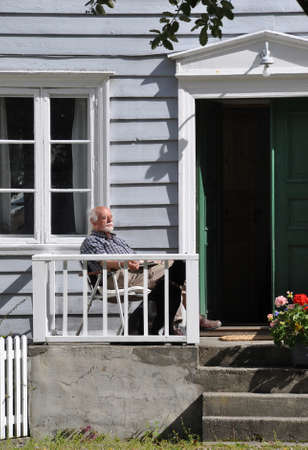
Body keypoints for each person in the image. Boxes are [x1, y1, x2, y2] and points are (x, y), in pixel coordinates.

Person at [80, 205, 221, 333]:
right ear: (94, 222)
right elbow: (104, 261)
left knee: (176, 270)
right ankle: (181, 323)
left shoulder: (117, 240)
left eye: (111, 217)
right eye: (105, 218)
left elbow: (135, 258)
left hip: (137, 273)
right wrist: (124, 263)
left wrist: (151, 262)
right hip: (116, 279)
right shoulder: (91, 241)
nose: (110, 220)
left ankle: (179, 323)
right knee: (173, 275)